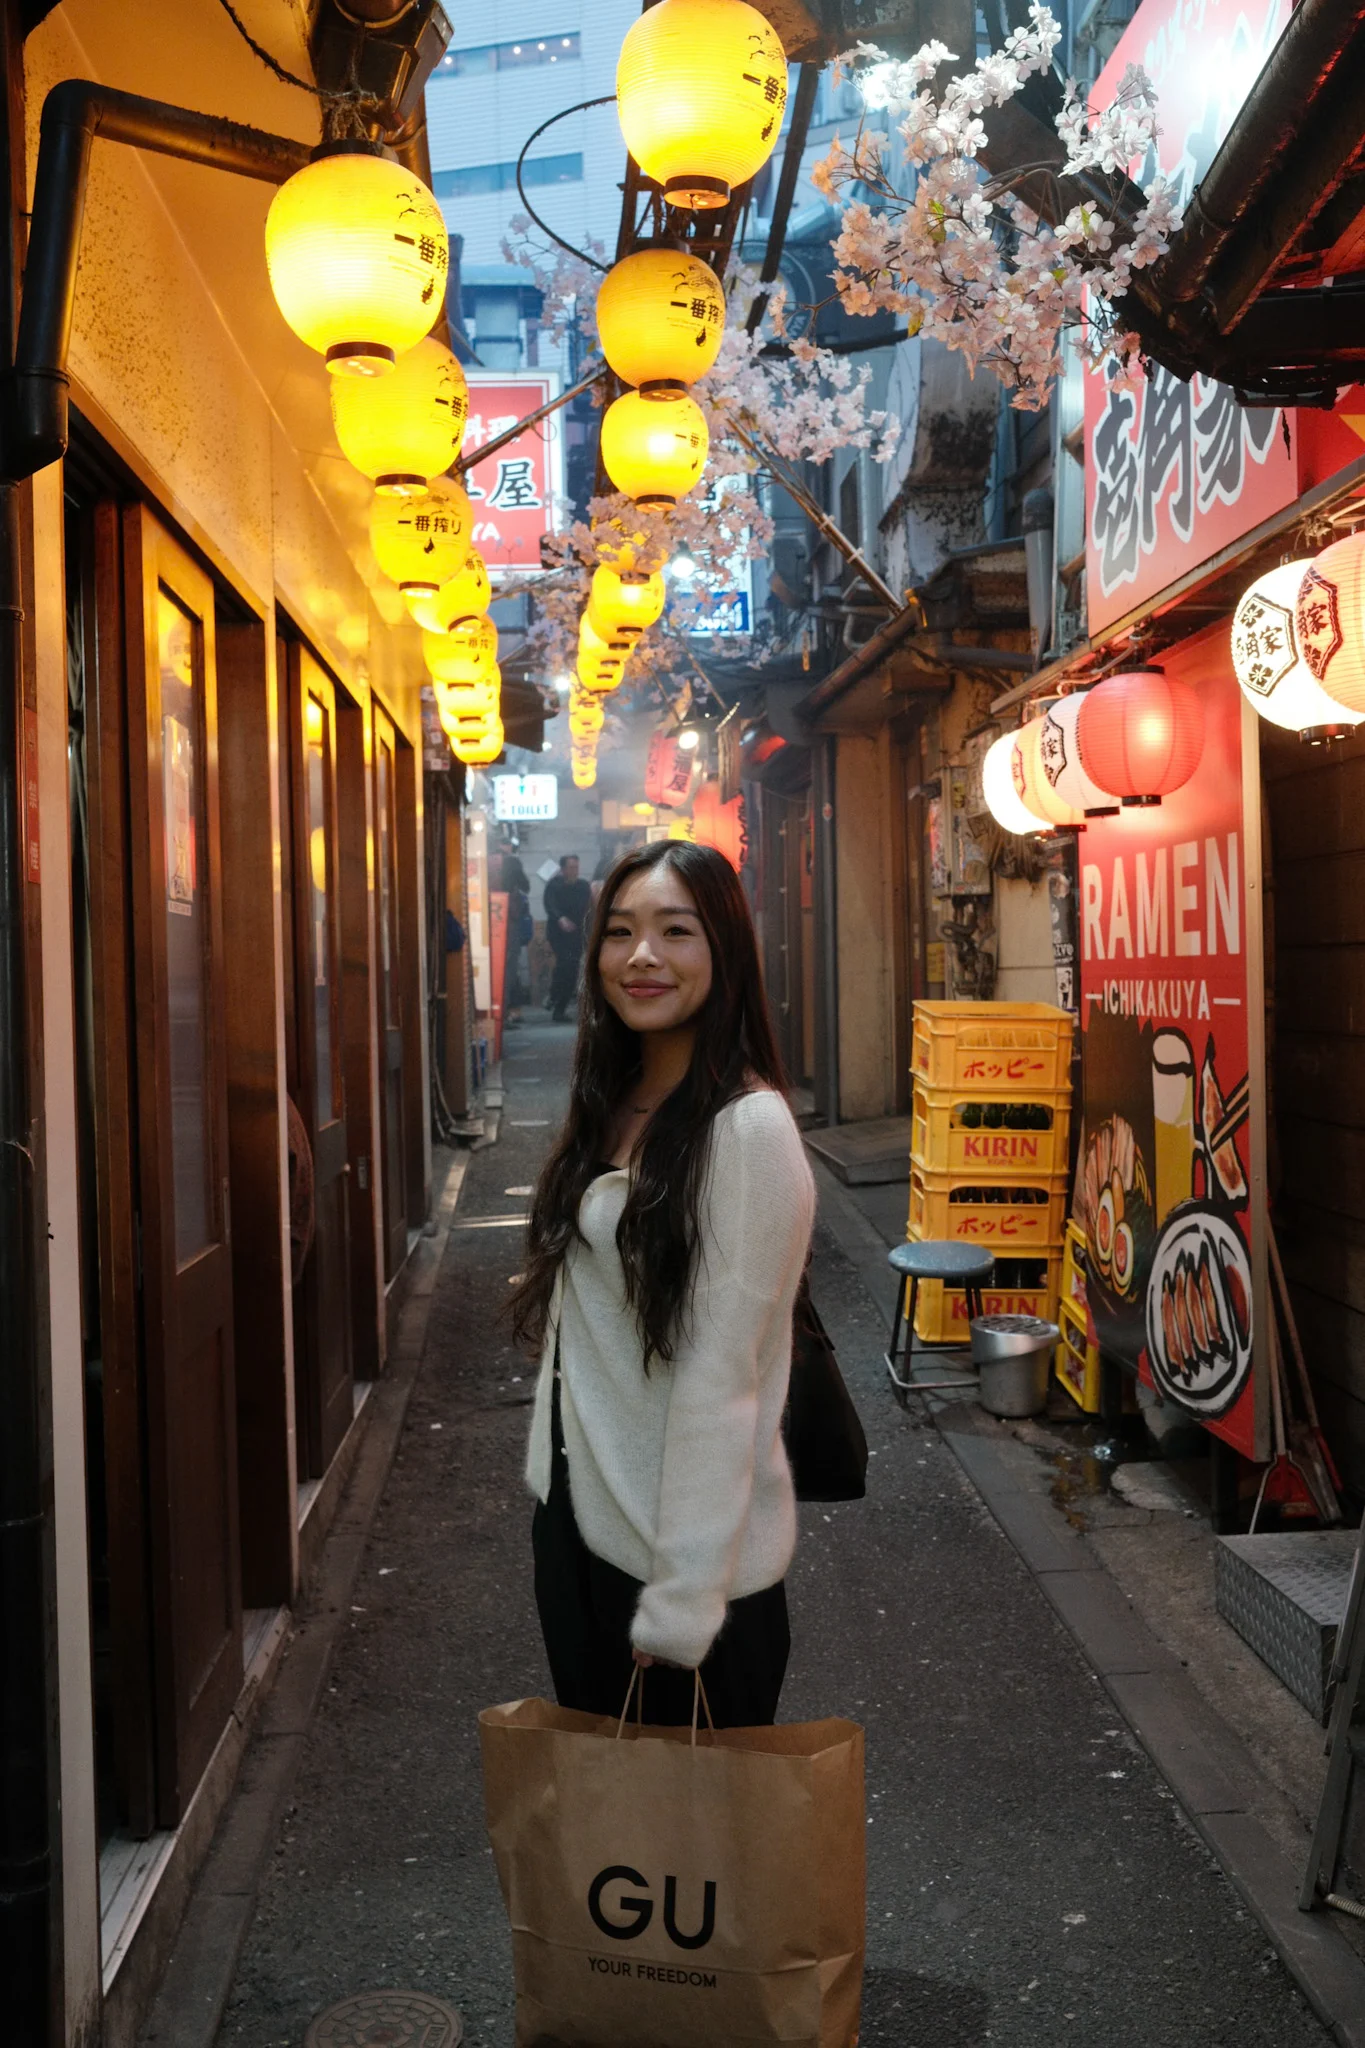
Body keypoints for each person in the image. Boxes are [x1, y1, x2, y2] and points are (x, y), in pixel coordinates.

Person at [511, 841, 815, 1729]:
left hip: (681, 1572)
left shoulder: (747, 1131)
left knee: (697, 1856)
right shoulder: (616, 1096)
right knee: (612, 1851)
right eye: (620, 933)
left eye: (674, 931)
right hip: (581, 1526)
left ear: (722, 949)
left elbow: (725, 1380)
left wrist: (681, 1603)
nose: (641, 957)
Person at [542, 853, 592, 1023]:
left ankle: (559, 1008)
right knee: (564, 963)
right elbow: (550, 905)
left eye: (576, 867)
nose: (574, 871)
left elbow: (588, 908)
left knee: (572, 969)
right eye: (571, 868)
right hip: (558, 934)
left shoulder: (583, 886)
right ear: (563, 869)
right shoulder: (554, 885)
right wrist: (560, 918)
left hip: (576, 934)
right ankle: (554, 994)